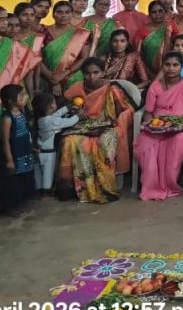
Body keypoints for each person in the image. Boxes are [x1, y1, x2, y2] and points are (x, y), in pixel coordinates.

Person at [58, 58, 135, 203]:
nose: (91, 77)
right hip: (83, 125)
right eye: (87, 73)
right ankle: (73, 187)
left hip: (108, 125)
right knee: (69, 140)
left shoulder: (112, 89)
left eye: (96, 72)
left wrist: (106, 125)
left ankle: (105, 188)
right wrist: (74, 110)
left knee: (105, 141)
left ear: (103, 72)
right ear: (82, 74)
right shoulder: (77, 88)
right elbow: (63, 106)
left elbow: (124, 111)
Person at [135, 52, 183, 201]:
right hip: (158, 125)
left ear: (181, 67)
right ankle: (151, 186)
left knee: (177, 141)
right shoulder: (155, 86)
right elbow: (148, 112)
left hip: (181, 125)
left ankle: (170, 185)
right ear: (162, 67)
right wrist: (150, 125)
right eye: (167, 65)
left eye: (175, 65)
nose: (171, 68)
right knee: (145, 144)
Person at [0, 85, 35, 216]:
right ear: (10, 100)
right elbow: (5, 141)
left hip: (24, 151)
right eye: (21, 96)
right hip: (15, 154)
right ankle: (10, 207)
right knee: (13, 183)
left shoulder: (21, 113)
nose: (25, 98)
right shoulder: (7, 119)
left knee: (24, 179)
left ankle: (20, 204)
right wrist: (9, 160)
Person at [32, 92, 79, 198]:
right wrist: (78, 116)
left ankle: (39, 191)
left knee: (39, 173)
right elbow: (69, 122)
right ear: (51, 106)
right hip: (48, 153)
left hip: (40, 151)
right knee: (48, 173)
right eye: (54, 102)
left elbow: (56, 114)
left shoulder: (42, 118)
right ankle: (46, 193)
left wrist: (68, 107)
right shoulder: (51, 121)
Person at [39, 2, 92, 96]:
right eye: (59, 12)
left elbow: (84, 58)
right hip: (47, 75)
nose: (63, 15)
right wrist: (53, 80)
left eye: (67, 12)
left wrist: (64, 74)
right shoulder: (43, 32)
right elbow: (37, 58)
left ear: (71, 14)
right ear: (53, 14)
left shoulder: (80, 33)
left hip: (72, 75)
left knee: (74, 101)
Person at [140, 1, 171, 76]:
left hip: (171, 70)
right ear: (149, 14)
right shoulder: (142, 31)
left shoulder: (171, 27)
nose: (158, 14)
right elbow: (139, 56)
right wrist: (150, 74)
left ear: (165, 12)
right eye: (154, 12)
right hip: (149, 72)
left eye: (160, 11)